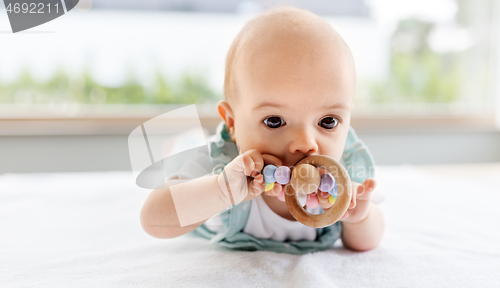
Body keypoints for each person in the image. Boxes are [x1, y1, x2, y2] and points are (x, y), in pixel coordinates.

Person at [140, 6, 385, 254]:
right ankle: (185, 141)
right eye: (275, 121)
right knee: (185, 153)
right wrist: (221, 191)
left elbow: (367, 240)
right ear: (232, 123)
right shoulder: (223, 166)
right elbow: (152, 220)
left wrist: (358, 216)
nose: (305, 142)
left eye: (328, 122)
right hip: (206, 165)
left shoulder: (345, 176)